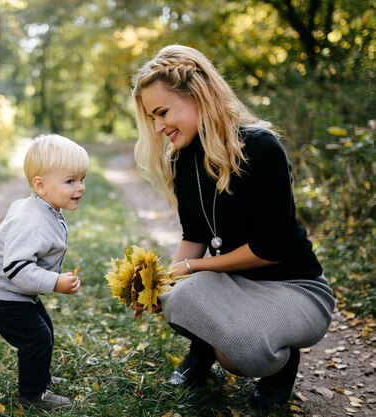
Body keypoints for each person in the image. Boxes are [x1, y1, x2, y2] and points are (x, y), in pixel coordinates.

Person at [129, 44, 335, 409]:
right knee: (174, 296)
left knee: (239, 356)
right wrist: (157, 283)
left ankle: (278, 369)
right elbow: (194, 235)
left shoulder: (261, 148)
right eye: (152, 119)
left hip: (294, 288)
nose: (159, 127)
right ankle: (201, 352)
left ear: (197, 96)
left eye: (162, 113)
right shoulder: (182, 159)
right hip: (236, 284)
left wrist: (193, 268)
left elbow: (270, 249)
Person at [0, 133, 88, 410]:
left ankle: (40, 377)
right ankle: (31, 395)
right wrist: (54, 282)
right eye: (70, 181)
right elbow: (16, 268)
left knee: (43, 329)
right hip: (0, 294)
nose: (80, 187)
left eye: (82, 179)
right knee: (35, 338)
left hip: (11, 292)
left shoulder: (44, 206)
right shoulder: (33, 221)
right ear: (41, 185)